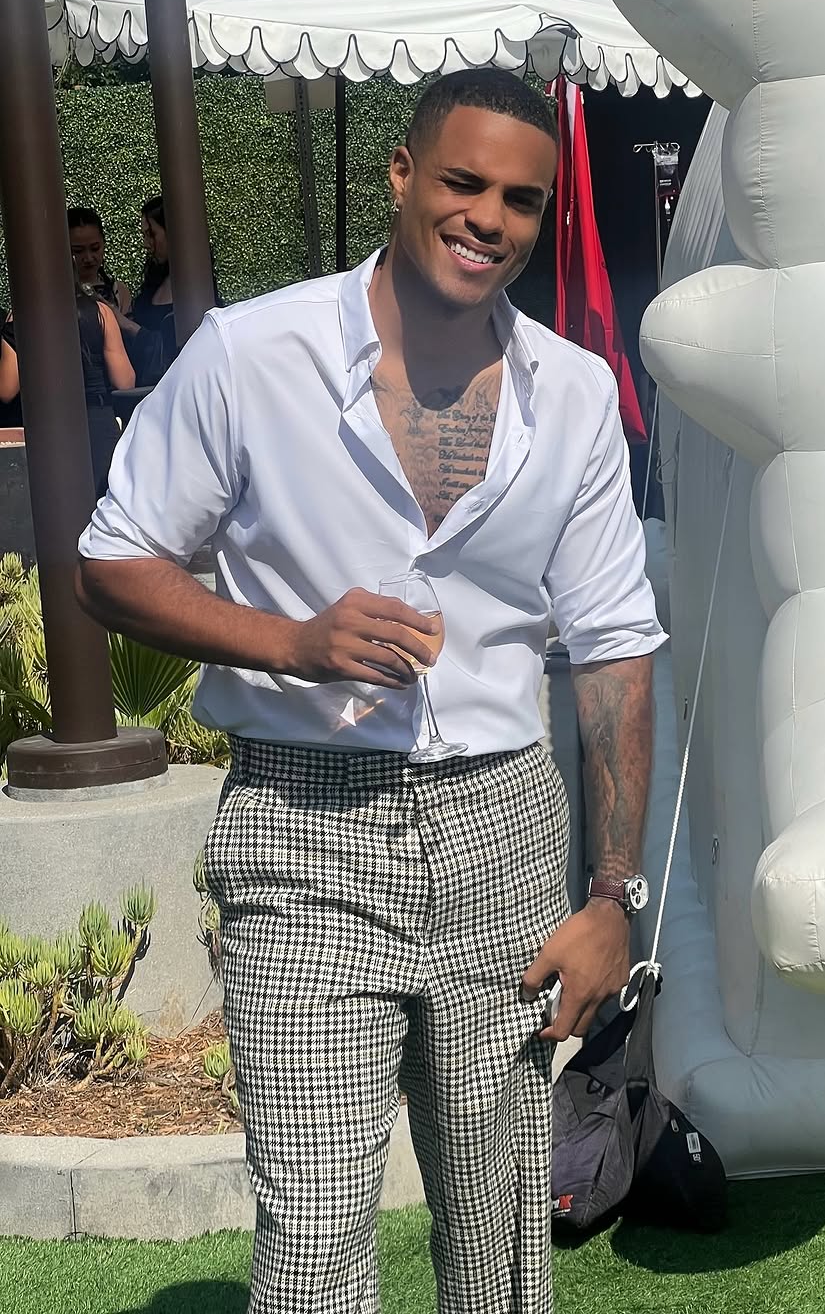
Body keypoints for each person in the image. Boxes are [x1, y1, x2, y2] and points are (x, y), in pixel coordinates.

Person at [75, 69, 664, 1314]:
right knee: (314, 1233)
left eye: (520, 199)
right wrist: (289, 642)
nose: (488, 218)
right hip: (303, 829)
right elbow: (113, 561)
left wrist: (614, 895)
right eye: (463, 182)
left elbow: (614, 646)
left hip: (503, 825)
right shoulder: (254, 354)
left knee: (502, 1229)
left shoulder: (571, 393)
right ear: (401, 175)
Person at [0, 266, 135, 495]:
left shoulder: (19, 318)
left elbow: (7, 389)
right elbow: (125, 381)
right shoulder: (100, 312)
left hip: (46, 424)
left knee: (55, 502)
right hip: (97, 420)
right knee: (102, 498)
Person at [116, 194, 176, 383]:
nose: (145, 244)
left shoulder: (196, 287)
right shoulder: (155, 280)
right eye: (144, 235)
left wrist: (125, 324)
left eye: (151, 234)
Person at [68, 206, 132, 315]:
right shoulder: (54, 292)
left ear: (103, 243)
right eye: (78, 251)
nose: (88, 258)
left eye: (95, 248)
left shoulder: (118, 292)